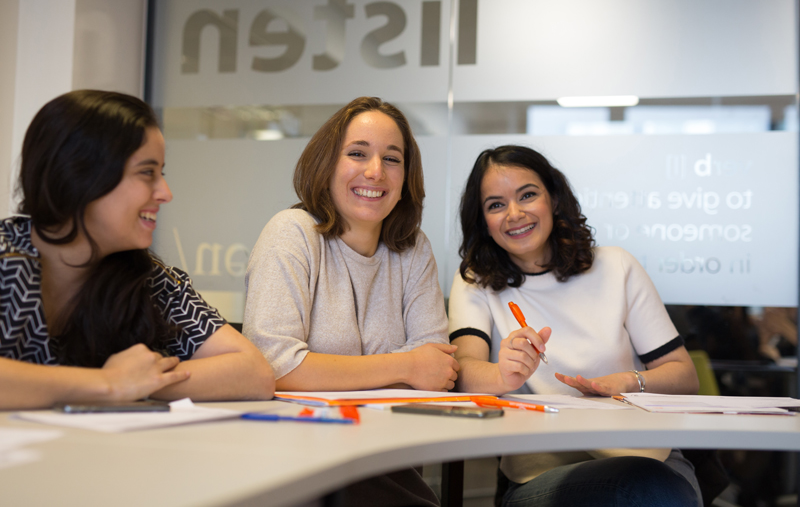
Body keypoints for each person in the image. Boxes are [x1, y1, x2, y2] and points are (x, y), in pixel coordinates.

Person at [448, 145, 702, 506]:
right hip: (539, 474)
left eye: (528, 195)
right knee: (644, 489)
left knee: (650, 484)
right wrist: (504, 375)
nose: (515, 214)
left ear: (553, 199)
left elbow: (684, 376)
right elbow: (463, 374)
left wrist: (628, 381)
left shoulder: (617, 266)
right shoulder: (476, 281)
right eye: (496, 205)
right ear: (483, 222)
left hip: (650, 459)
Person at [0, 90, 274, 410]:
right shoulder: (7, 259)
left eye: (162, 173)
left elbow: (254, 372)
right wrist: (107, 384)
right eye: (147, 173)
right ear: (79, 175)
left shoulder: (147, 277)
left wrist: (138, 384)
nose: (165, 193)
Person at [243, 96, 457, 506]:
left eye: (392, 159)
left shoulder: (413, 249)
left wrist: (323, 371)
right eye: (357, 153)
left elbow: (436, 372)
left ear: (406, 177)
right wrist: (406, 366)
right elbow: (275, 366)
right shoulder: (291, 232)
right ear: (326, 166)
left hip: (387, 454)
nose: (375, 171)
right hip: (301, 457)